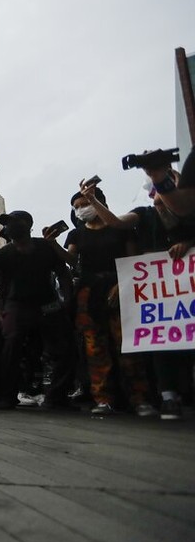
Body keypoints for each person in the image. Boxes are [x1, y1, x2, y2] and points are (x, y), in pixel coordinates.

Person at [80, 179, 195, 420]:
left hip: (185, 291)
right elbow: (116, 222)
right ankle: (167, 396)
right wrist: (92, 200)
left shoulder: (189, 214)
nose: (159, 200)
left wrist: (188, 243)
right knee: (158, 339)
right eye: (156, 193)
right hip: (154, 293)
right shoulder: (144, 215)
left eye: (166, 191)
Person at [0, 210, 76, 409]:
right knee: (11, 349)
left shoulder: (45, 246)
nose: (9, 227)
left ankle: (57, 397)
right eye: (7, 224)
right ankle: (7, 396)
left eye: (14, 222)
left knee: (64, 348)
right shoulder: (4, 253)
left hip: (48, 304)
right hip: (17, 306)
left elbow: (63, 273)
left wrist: (68, 302)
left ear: (27, 224)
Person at [52, 185, 150, 415]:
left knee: (127, 344)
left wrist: (121, 283)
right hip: (89, 293)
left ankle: (140, 398)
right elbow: (72, 261)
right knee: (95, 347)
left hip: (119, 288)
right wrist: (53, 244)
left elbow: (134, 261)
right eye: (76, 207)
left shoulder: (121, 229)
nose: (80, 210)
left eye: (84, 204)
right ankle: (103, 397)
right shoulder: (76, 234)